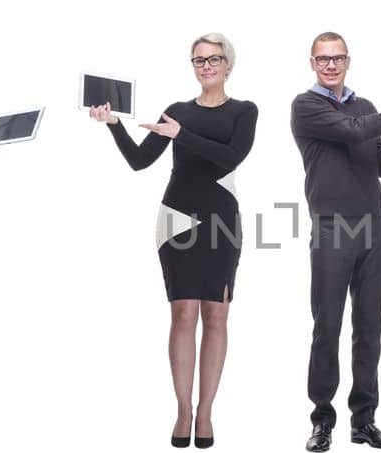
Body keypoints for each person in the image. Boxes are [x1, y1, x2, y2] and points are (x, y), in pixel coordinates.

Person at [88, 32, 258, 450]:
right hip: (176, 218)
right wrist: (114, 126)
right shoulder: (176, 111)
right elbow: (139, 161)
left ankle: (206, 412)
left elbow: (230, 157)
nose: (206, 66)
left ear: (228, 65)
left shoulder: (244, 110)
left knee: (216, 315)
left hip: (221, 220)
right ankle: (183, 409)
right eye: (199, 60)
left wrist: (181, 134)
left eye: (214, 59)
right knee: (183, 313)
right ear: (193, 66)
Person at [290, 31, 381, 452]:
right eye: (323, 59)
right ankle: (322, 421)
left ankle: (365, 421)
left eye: (338, 58)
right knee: (328, 327)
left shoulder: (366, 107)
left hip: (373, 228)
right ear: (313, 63)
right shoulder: (307, 106)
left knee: (369, 328)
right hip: (332, 229)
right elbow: (355, 132)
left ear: (348, 61)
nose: (331, 65)